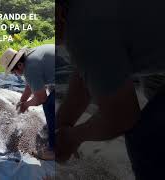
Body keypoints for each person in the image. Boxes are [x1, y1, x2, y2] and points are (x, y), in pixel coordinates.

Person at [57, 1, 165, 179]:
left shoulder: (83, 27)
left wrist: (72, 138)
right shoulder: (81, 12)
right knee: (152, 89)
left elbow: (123, 117)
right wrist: (60, 125)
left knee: (146, 138)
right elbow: (87, 71)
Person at [0, 44, 55, 160]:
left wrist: (26, 105)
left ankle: (53, 150)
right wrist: (22, 100)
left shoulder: (30, 69)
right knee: (50, 92)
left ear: (19, 65)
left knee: (49, 104)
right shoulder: (29, 57)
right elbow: (30, 86)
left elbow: (41, 98)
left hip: (72, 73)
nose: (14, 74)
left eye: (14, 72)